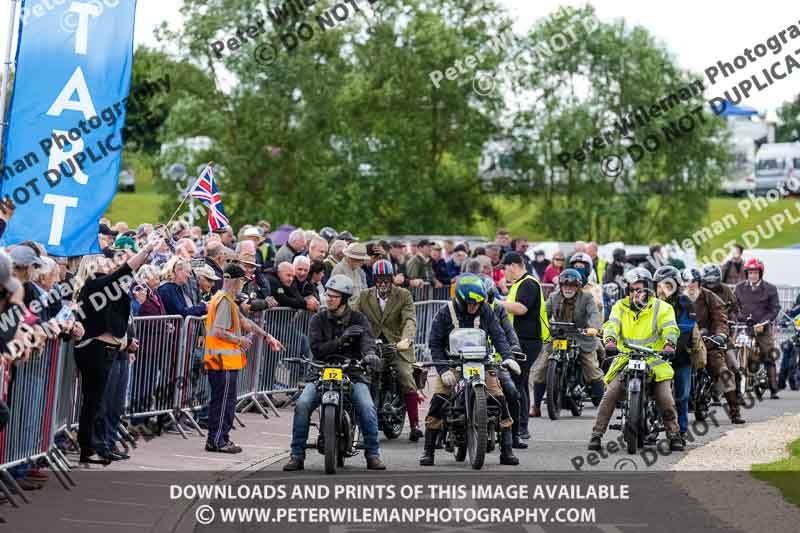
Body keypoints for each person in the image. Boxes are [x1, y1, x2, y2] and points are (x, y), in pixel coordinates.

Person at [283, 275, 385, 471]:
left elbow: (367, 342)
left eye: (334, 296)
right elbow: (317, 349)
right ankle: (297, 455)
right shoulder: (318, 319)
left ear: (344, 299)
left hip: (352, 371)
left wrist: (370, 355)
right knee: (303, 404)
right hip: (322, 371)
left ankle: (373, 453)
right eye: (327, 295)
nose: (329, 299)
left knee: (366, 406)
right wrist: (341, 340)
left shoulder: (359, 319)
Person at [72, 239, 158, 465]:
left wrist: (126, 340)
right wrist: (146, 249)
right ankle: (89, 447)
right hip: (94, 350)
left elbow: (125, 280)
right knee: (94, 402)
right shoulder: (93, 284)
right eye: (104, 260)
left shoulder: (106, 287)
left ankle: (94, 446)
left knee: (99, 400)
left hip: (108, 349)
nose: (110, 263)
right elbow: (126, 270)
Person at [421, 275, 519, 466]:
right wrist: (443, 370)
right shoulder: (445, 312)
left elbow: (498, 336)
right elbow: (434, 343)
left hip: (482, 363)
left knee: (500, 399)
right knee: (439, 399)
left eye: (478, 303)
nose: (474, 307)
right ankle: (428, 451)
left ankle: (507, 450)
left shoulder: (486, 311)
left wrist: (508, 357)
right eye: (470, 303)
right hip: (453, 364)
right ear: (459, 299)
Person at [588, 267, 684, 452]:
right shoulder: (619, 307)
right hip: (625, 359)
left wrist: (669, 344)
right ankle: (596, 435)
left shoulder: (663, 307)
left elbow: (670, 328)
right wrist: (609, 342)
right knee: (610, 393)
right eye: (632, 290)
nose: (635, 293)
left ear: (649, 289)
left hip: (655, 361)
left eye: (640, 289)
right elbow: (611, 325)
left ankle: (674, 435)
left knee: (665, 396)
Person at [204, 263, 283, 453]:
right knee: (223, 402)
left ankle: (221, 438)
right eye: (241, 280)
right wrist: (239, 340)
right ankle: (217, 441)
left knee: (226, 402)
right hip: (221, 361)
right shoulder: (224, 300)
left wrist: (266, 336)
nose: (242, 284)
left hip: (225, 361)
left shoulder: (227, 300)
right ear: (232, 280)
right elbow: (219, 331)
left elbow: (244, 322)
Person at [353, 260, 422, 441]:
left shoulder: (404, 295)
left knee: (405, 374)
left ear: (392, 279)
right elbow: (352, 315)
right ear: (374, 280)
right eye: (379, 280)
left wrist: (406, 339)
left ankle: (415, 424)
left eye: (386, 280)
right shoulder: (364, 296)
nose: (383, 284)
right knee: (361, 373)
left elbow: (409, 319)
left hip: (397, 345)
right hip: (372, 345)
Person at [531, 269, 604, 416]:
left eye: (572, 285)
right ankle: (536, 407)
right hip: (559, 335)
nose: (568, 288)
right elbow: (543, 313)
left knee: (592, 369)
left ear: (578, 286)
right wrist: (537, 325)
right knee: (540, 369)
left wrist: (593, 328)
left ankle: (603, 409)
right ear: (561, 285)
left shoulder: (587, 298)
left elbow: (594, 314)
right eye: (565, 285)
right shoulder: (553, 297)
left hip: (581, 336)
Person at [499, 252, 550, 442]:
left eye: (504, 267)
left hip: (527, 341)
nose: (504, 272)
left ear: (513, 265)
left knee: (518, 382)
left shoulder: (528, 283)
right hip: (520, 340)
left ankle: (521, 427)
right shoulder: (521, 284)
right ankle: (519, 426)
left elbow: (521, 308)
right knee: (518, 380)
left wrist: (497, 303)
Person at [684, 267, 745, 424]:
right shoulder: (677, 298)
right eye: (686, 282)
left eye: (693, 282)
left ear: (699, 283)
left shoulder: (709, 297)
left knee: (724, 372)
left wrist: (720, 335)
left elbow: (720, 318)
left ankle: (734, 412)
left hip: (707, 343)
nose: (690, 286)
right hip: (681, 345)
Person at [654, 266, 703, 440]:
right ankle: (651, 427)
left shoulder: (685, 303)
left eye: (667, 285)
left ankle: (681, 430)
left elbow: (685, 330)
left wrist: (670, 349)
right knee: (654, 393)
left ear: (675, 285)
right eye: (659, 285)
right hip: (655, 356)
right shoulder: (651, 303)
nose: (662, 289)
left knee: (682, 396)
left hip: (682, 355)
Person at [479, 275, 524, 449]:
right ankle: (439, 434)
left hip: (494, 363)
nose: (482, 302)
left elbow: (508, 332)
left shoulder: (498, 310)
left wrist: (514, 348)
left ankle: (514, 435)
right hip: (466, 362)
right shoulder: (464, 310)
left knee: (512, 392)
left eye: (486, 297)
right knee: (449, 392)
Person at [733, 258, 781, 399]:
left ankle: (773, 388)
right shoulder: (739, 288)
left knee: (768, 355)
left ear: (760, 273)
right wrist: (739, 318)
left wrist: (763, 322)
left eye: (755, 272)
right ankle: (736, 387)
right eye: (750, 272)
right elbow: (735, 307)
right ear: (746, 273)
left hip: (763, 328)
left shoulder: (770, 289)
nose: (752, 275)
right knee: (734, 352)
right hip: (744, 327)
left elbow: (775, 308)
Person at [701, 264, 743, 399]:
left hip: (722, 331)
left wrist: (731, 322)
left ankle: (737, 394)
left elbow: (735, 309)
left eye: (714, 279)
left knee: (733, 363)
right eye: (708, 280)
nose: (711, 283)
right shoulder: (699, 291)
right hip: (702, 332)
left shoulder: (726, 290)